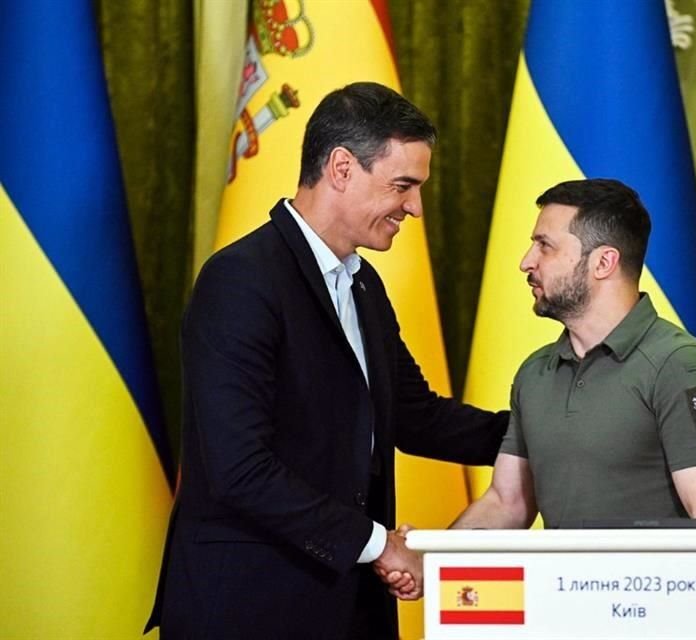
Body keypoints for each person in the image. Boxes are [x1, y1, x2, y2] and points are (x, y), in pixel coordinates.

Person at [145, 82, 508, 639]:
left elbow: (416, 416)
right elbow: (238, 468)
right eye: (403, 186)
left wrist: (542, 432)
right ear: (342, 167)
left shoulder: (363, 285)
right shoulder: (240, 281)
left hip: (346, 606)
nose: (414, 207)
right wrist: (378, 544)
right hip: (249, 607)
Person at [451, 178, 696, 531]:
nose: (526, 262)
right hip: (556, 585)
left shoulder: (681, 365)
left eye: (545, 246)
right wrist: (426, 560)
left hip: (655, 586)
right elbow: (507, 502)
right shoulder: (535, 372)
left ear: (603, 262)